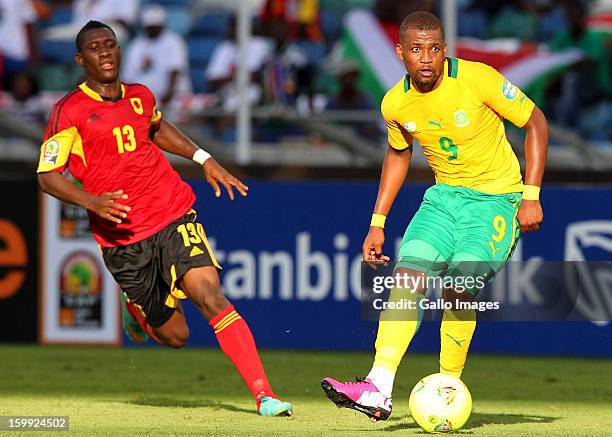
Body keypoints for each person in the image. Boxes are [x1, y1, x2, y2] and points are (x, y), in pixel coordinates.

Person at [36, 20, 293, 417]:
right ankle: (137, 312)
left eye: (110, 44)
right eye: (94, 47)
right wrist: (92, 202)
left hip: (172, 212)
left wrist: (203, 159)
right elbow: (48, 176)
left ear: (119, 51)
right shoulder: (68, 111)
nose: (104, 52)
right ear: (80, 58)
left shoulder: (140, 96)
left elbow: (156, 128)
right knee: (176, 336)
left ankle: (265, 395)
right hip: (122, 237)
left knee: (210, 296)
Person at [321, 11, 547, 421]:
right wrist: (377, 222)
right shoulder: (395, 101)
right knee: (408, 275)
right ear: (401, 52)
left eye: (434, 49)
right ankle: (378, 387)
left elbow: (536, 123)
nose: (426, 58)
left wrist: (531, 195)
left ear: (445, 49)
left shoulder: (478, 79)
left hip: (497, 201)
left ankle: (448, 384)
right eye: (416, 50)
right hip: (442, 201)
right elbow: (398, 152)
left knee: (458, 287)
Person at [122, 4, 191, 107]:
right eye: (149, 27)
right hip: (142, 98)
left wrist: (168, 95)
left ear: (162, 25)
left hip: (171, 97)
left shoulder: (174, 41)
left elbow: (175, 70)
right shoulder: (136, 45)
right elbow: (128, 77)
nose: (152, 30)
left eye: (155, 27)